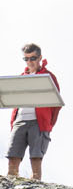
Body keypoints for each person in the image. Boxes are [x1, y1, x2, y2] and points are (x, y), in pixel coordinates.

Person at [6, 43, 61, 181]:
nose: (30, 62)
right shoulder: (21, 76)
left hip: (39, 122)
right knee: (13, 156)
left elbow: (56, 103)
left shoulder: (48, 76)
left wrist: (49, 124)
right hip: (20, 120)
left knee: (36, 158)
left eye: (33, 58)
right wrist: (14, 121)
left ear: (40, 57)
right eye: (26, 59)